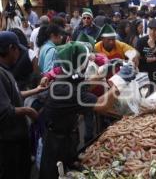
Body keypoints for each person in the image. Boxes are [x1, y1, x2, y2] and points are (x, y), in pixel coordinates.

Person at [39, 42, 137, 179]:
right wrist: (120, 81)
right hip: (57, 142)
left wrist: (105, 71)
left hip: (66, 134)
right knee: (55, 173)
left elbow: (83, 86)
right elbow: (102, 105)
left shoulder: (66, 74)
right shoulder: (66, 89)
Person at [0, 31, 47, 179]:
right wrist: (29, 111)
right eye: (18, 50)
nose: (19, 54)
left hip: (17, 137)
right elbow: (5, 112)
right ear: (10, 48)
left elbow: (14, 95)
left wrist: (36, 90)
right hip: (9, 141)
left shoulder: (6, 70)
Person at [136, 19, 156, 88]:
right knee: (143, 92)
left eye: (155, 30)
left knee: (155, 91)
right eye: (150, 29)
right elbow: (137, 58)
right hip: (143, 72)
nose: (152, 32)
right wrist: (146, 60)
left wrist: (153, 47)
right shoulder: (141, 41)